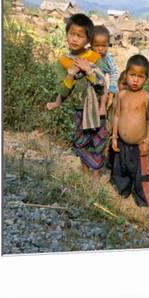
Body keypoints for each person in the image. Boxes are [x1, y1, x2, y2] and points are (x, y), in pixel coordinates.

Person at [46, 13, 107, 178]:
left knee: (98, 143)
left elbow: (102, 84)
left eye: (80, 36)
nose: (74, 39)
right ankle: (86, 176)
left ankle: (95, 179)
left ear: (88, 40)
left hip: (96, 111)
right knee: (82, 143)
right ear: (66, 34)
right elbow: (63, 91)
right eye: (72, 34)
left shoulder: (94, 58)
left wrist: (88, 70)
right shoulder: (63, 62)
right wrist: (71, 74)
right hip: (80, 111)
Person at [111, 55, 149, 207]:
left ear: (146, 79)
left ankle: (142, 201)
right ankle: (123, 192)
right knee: (121, 169)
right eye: (132, 75)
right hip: (122, 143)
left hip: (139, 145)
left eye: (140, 77)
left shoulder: (146, 97)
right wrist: (114, 137)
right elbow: (116, 116)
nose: (135, 80)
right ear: (126, 74)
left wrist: (148, 140)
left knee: (140, 174)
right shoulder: (121, 95)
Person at [90, 25, 118, 117]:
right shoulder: (88, 54)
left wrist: (113, 86)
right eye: (97, 45)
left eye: (103, 46)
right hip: (88, 83)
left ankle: (102, 107)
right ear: (91, 44)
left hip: (101, 84)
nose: (100, 49)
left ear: (108, 44)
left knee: (104, 89)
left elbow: (113, 71)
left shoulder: (108, 59)